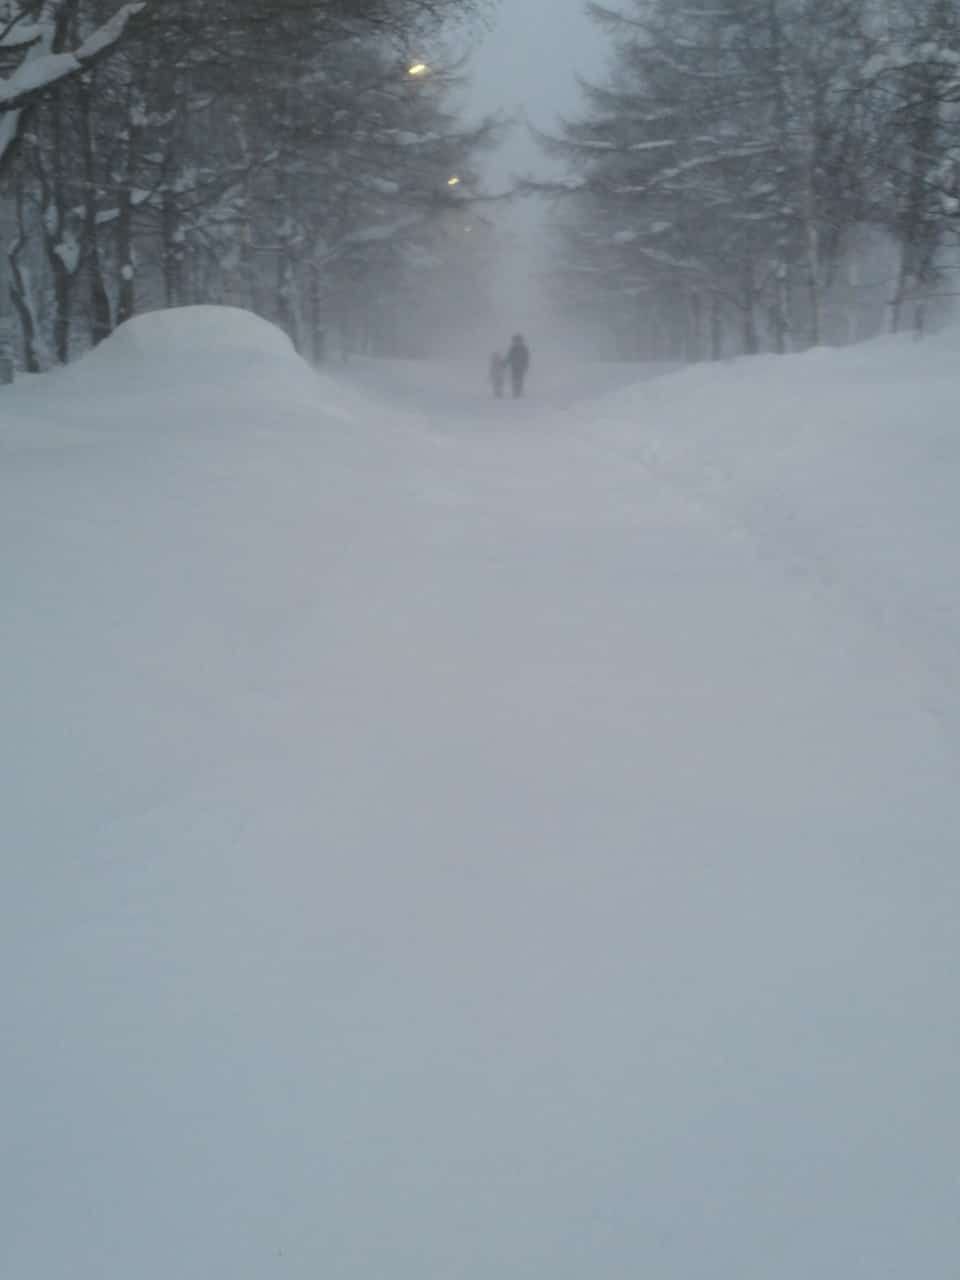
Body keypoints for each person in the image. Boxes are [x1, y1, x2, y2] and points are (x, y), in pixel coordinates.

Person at [506, 334, 530, 398]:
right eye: (516, 341)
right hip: (514, 367)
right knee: (514, 379)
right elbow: (509, 357)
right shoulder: (512, 349)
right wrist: (504, 364)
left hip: (521, 367)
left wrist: (526, 365)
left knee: (519, 379)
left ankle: (518, 391)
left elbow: (526, 358)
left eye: (518, 341)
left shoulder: (524, 349)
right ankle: (515, 391)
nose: (517, 342)